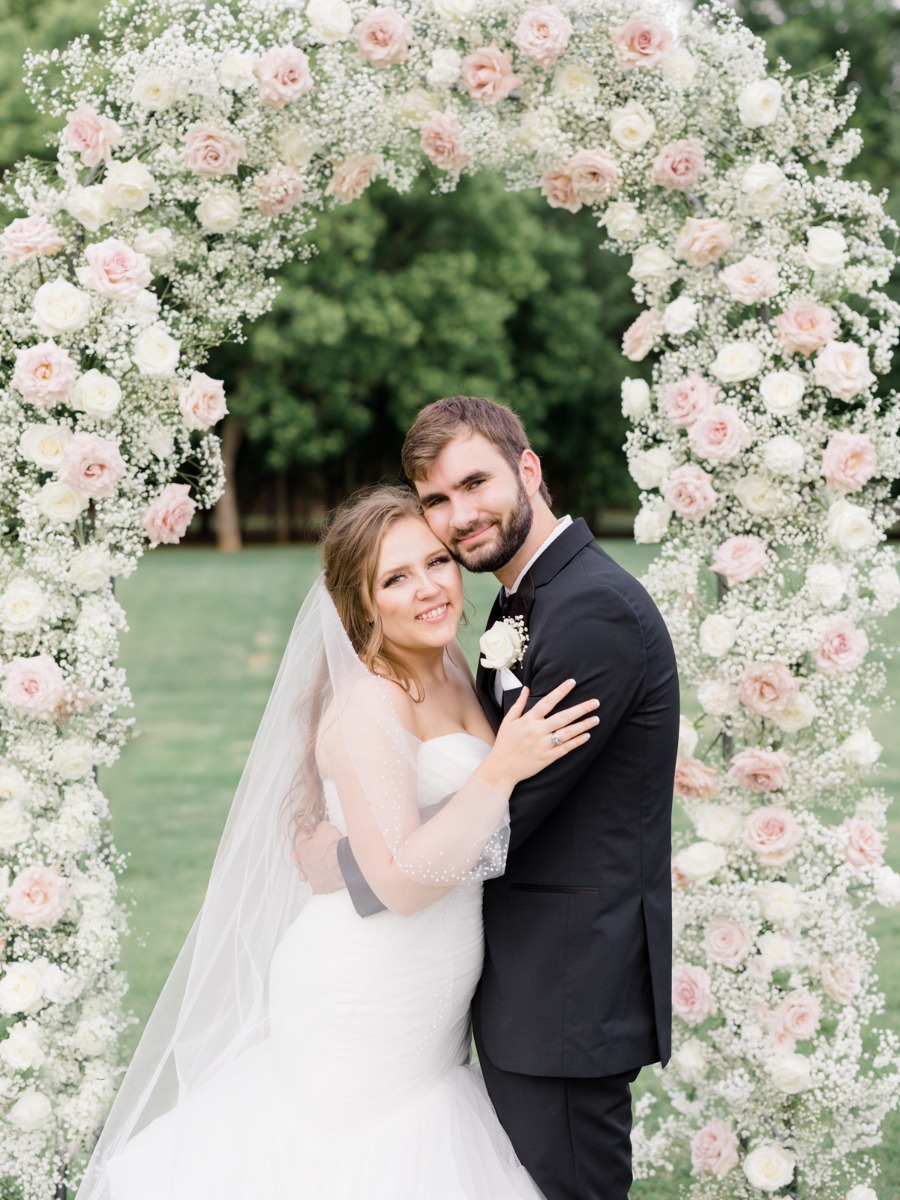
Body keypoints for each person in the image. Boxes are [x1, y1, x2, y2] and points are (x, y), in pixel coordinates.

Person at [76, 484, 600, 1200]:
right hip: (362, 993)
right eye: (395, 578)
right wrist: (501, 768)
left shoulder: (450, 669)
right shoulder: (370, 702)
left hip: (432, 1003)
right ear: (360, 606)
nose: (428, 589)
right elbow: (401, 882)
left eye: (437, 562)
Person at [296, 397, 680, 1200]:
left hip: (561, 994)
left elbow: (509, 805)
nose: (459, 517)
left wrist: (349, 858)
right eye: (438, 500)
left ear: (528, 470)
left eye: (475, 483)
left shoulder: (588, 610)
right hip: (473, 985)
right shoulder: (515, 603)